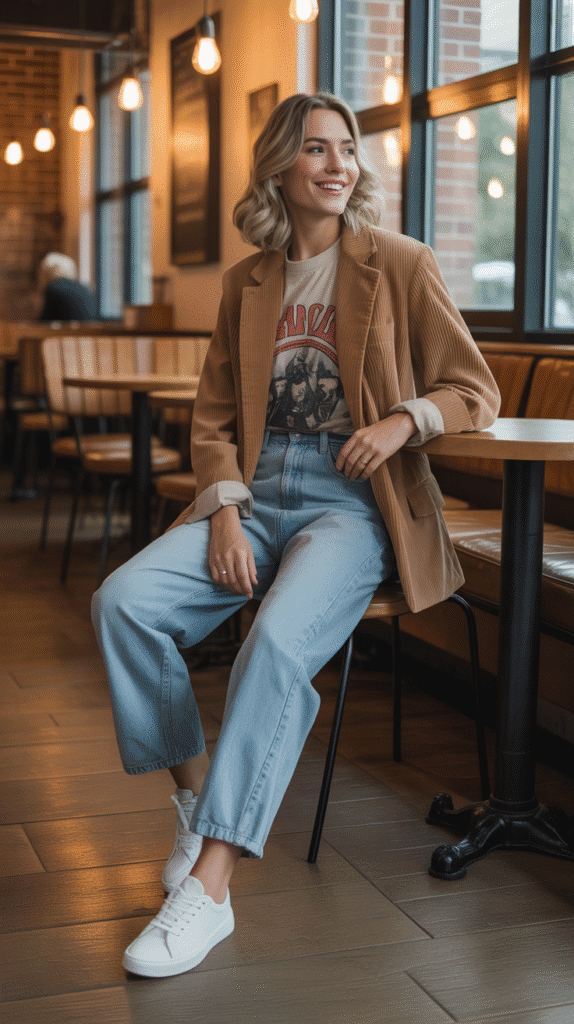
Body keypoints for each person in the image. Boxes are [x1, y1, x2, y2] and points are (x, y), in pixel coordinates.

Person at [91, 92, 500, 979]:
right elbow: (209, 419)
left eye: (347, 149)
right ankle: (197, 801)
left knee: (274, 643)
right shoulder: (248, 280)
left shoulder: (398, 262)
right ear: (280, 164)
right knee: (122, 603)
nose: (337, 164)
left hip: (352, 502)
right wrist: (227, 507)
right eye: (315, 149)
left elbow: (476, 387)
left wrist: (401, 420)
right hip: (255, 490)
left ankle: (209, 889)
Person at [37, 252, 97, 322]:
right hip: (90, 331)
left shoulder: (53, 288)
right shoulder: (85, 288)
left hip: (68, 332)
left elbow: (45, 321)